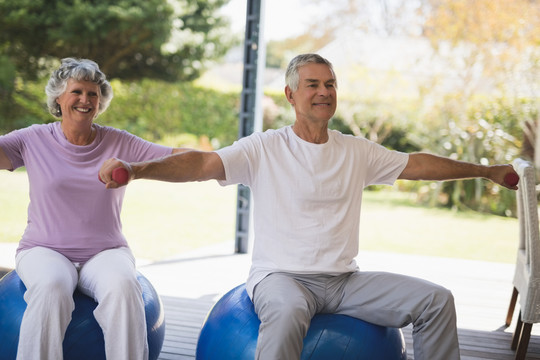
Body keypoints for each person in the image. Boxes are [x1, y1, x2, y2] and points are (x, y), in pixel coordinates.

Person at [100, 53, 518, 360]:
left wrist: (486, 171)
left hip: (343, 282)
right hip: (281, 277)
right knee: (285, 314)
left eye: (330, 84)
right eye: (313, 84)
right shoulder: (265, 147)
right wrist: (137, 169)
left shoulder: (356, 151)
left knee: (437, 300)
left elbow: (418, 164)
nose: (324, 92)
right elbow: (203, 163)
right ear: (290, 94)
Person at [0, 58, 185, 360]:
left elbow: (176, 158)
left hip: (105, 252)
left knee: (125, 287)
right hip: (44, 249)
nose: (85, 100)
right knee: (50, 288)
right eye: (77, 91)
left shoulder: (119, 141)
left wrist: (136, 167)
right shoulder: (32, 139)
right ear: (58, 98)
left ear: (100, 101)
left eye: (93, 93)